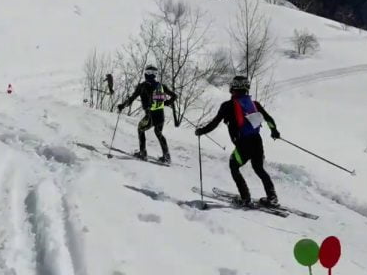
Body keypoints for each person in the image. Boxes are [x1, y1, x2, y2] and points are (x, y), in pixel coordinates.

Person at [195, 76, 281, 208]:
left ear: (232, 88)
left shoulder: (227, 106)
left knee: (233, 166)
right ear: (246, 88)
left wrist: (201, 131)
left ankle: (245, 198)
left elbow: (214, 123)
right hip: (257, 142)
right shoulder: (255, 104)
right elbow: (269, 119)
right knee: (259, 169)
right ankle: (272, 198)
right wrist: (274, 131)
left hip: (243, 144)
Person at [117, 65, 178, 164]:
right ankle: (167, 157)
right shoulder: (161, 86)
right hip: (161, 115)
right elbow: (175, 96)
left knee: (140, 129)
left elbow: (131, 99)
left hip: (150, 116)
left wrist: (122, 106)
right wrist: (166, 103)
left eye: (147, 72)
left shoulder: (142, 86)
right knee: (158, 133)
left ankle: (143, 153)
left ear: (147, 74)